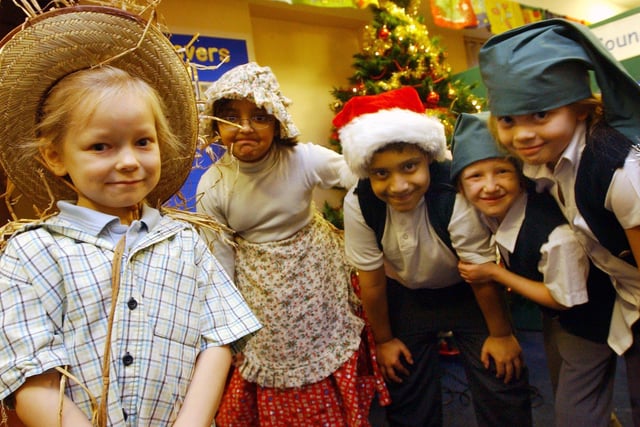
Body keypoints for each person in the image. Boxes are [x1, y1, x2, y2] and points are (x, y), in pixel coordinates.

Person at [0, 6, 261, 426]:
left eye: (142, 141)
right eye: (101, 146)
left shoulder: (184, 243)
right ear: (54, 155)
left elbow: (217, 339)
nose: (127, 162)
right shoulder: (32, 252)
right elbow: (30, 372)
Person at [196, 62, 384, 426]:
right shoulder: (212, 185)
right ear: (217, 125)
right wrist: (231, 332)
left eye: (260, 116)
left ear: (277, 122)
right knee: (273, 363)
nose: (246, 128)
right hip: (261, 292)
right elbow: (220, 266)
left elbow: (361, 175)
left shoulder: (303, 159)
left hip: (320, 279)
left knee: (330, 357)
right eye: (232, 117)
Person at [334, 86, 532, 427]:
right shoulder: (359, 201)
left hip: (467, 290)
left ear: (428, 157)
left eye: (409, 167)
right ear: (368, 172)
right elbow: (372, 282)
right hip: (404, 295)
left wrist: (500, 335)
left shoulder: (451, 191)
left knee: (502, 376)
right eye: (382, 173)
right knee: (406, 388)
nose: (398, 185)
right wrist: (384, 340)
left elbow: (479, 270)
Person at [479, 19, 640, 427]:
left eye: (540, 113)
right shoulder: (550, 162)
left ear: (579, 106)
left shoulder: (618, 172)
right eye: (508, 120)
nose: (523, 135)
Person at [451, 112, 617, 427]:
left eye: (502, 171)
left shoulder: (554, 236)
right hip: (558, 315)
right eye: (475, 176)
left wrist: (496, 273)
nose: (490, 187)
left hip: (590, 319)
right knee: (565, 387)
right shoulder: (488, 211)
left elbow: (566, 298)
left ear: (520, 175)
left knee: (576, 409)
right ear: (460, 185)